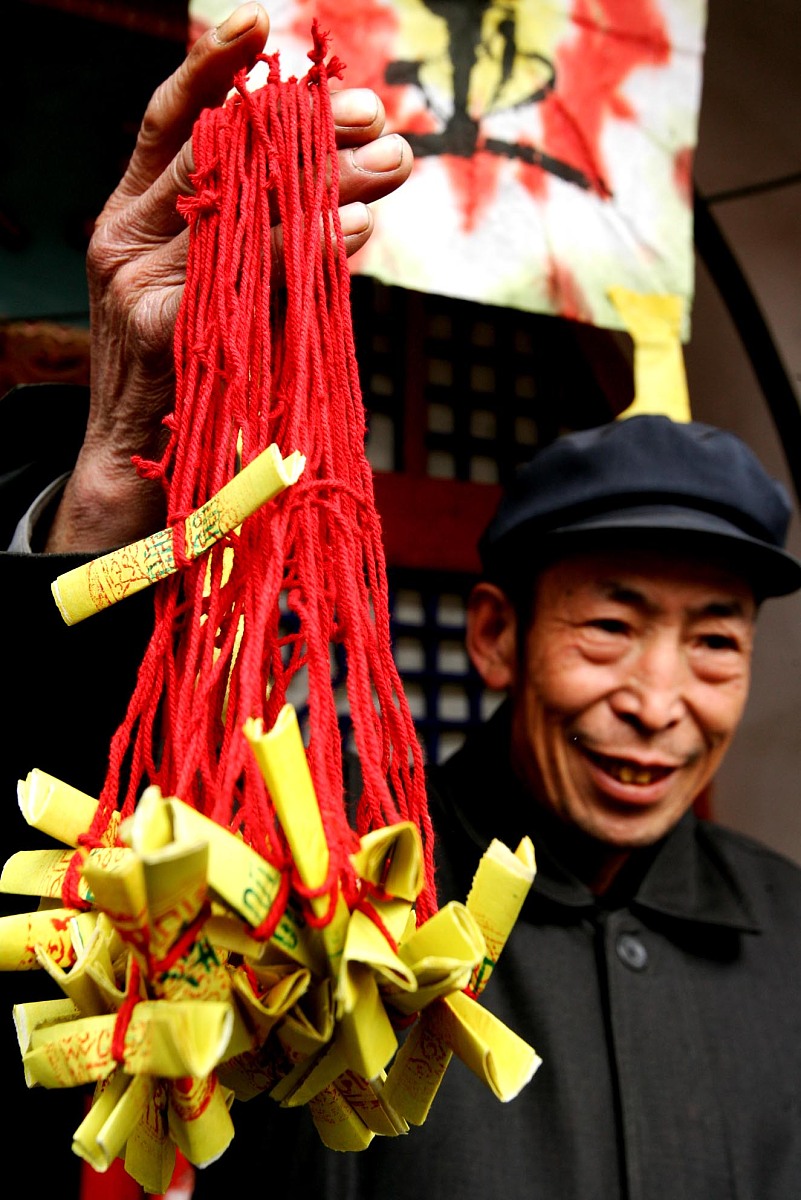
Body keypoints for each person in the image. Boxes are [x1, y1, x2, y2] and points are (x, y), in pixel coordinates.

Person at [2, 5, 801, 1198]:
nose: (656, 701)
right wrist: (119, 463)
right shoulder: (332, 911)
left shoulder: (793, 930)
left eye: (717, 641)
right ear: (496, 635)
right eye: (611, 623)